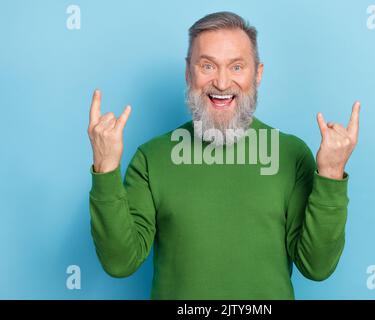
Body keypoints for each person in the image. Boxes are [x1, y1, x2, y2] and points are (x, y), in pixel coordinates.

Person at [87, 11, 360, 299]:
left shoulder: (291, 155)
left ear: (258, 73)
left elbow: (317, 267)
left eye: (237, 67)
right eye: (207, 66)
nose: (221, 82)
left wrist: (331, 174)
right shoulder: (151, 158)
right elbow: (119, 262)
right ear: (188, 72)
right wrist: (105, 168)